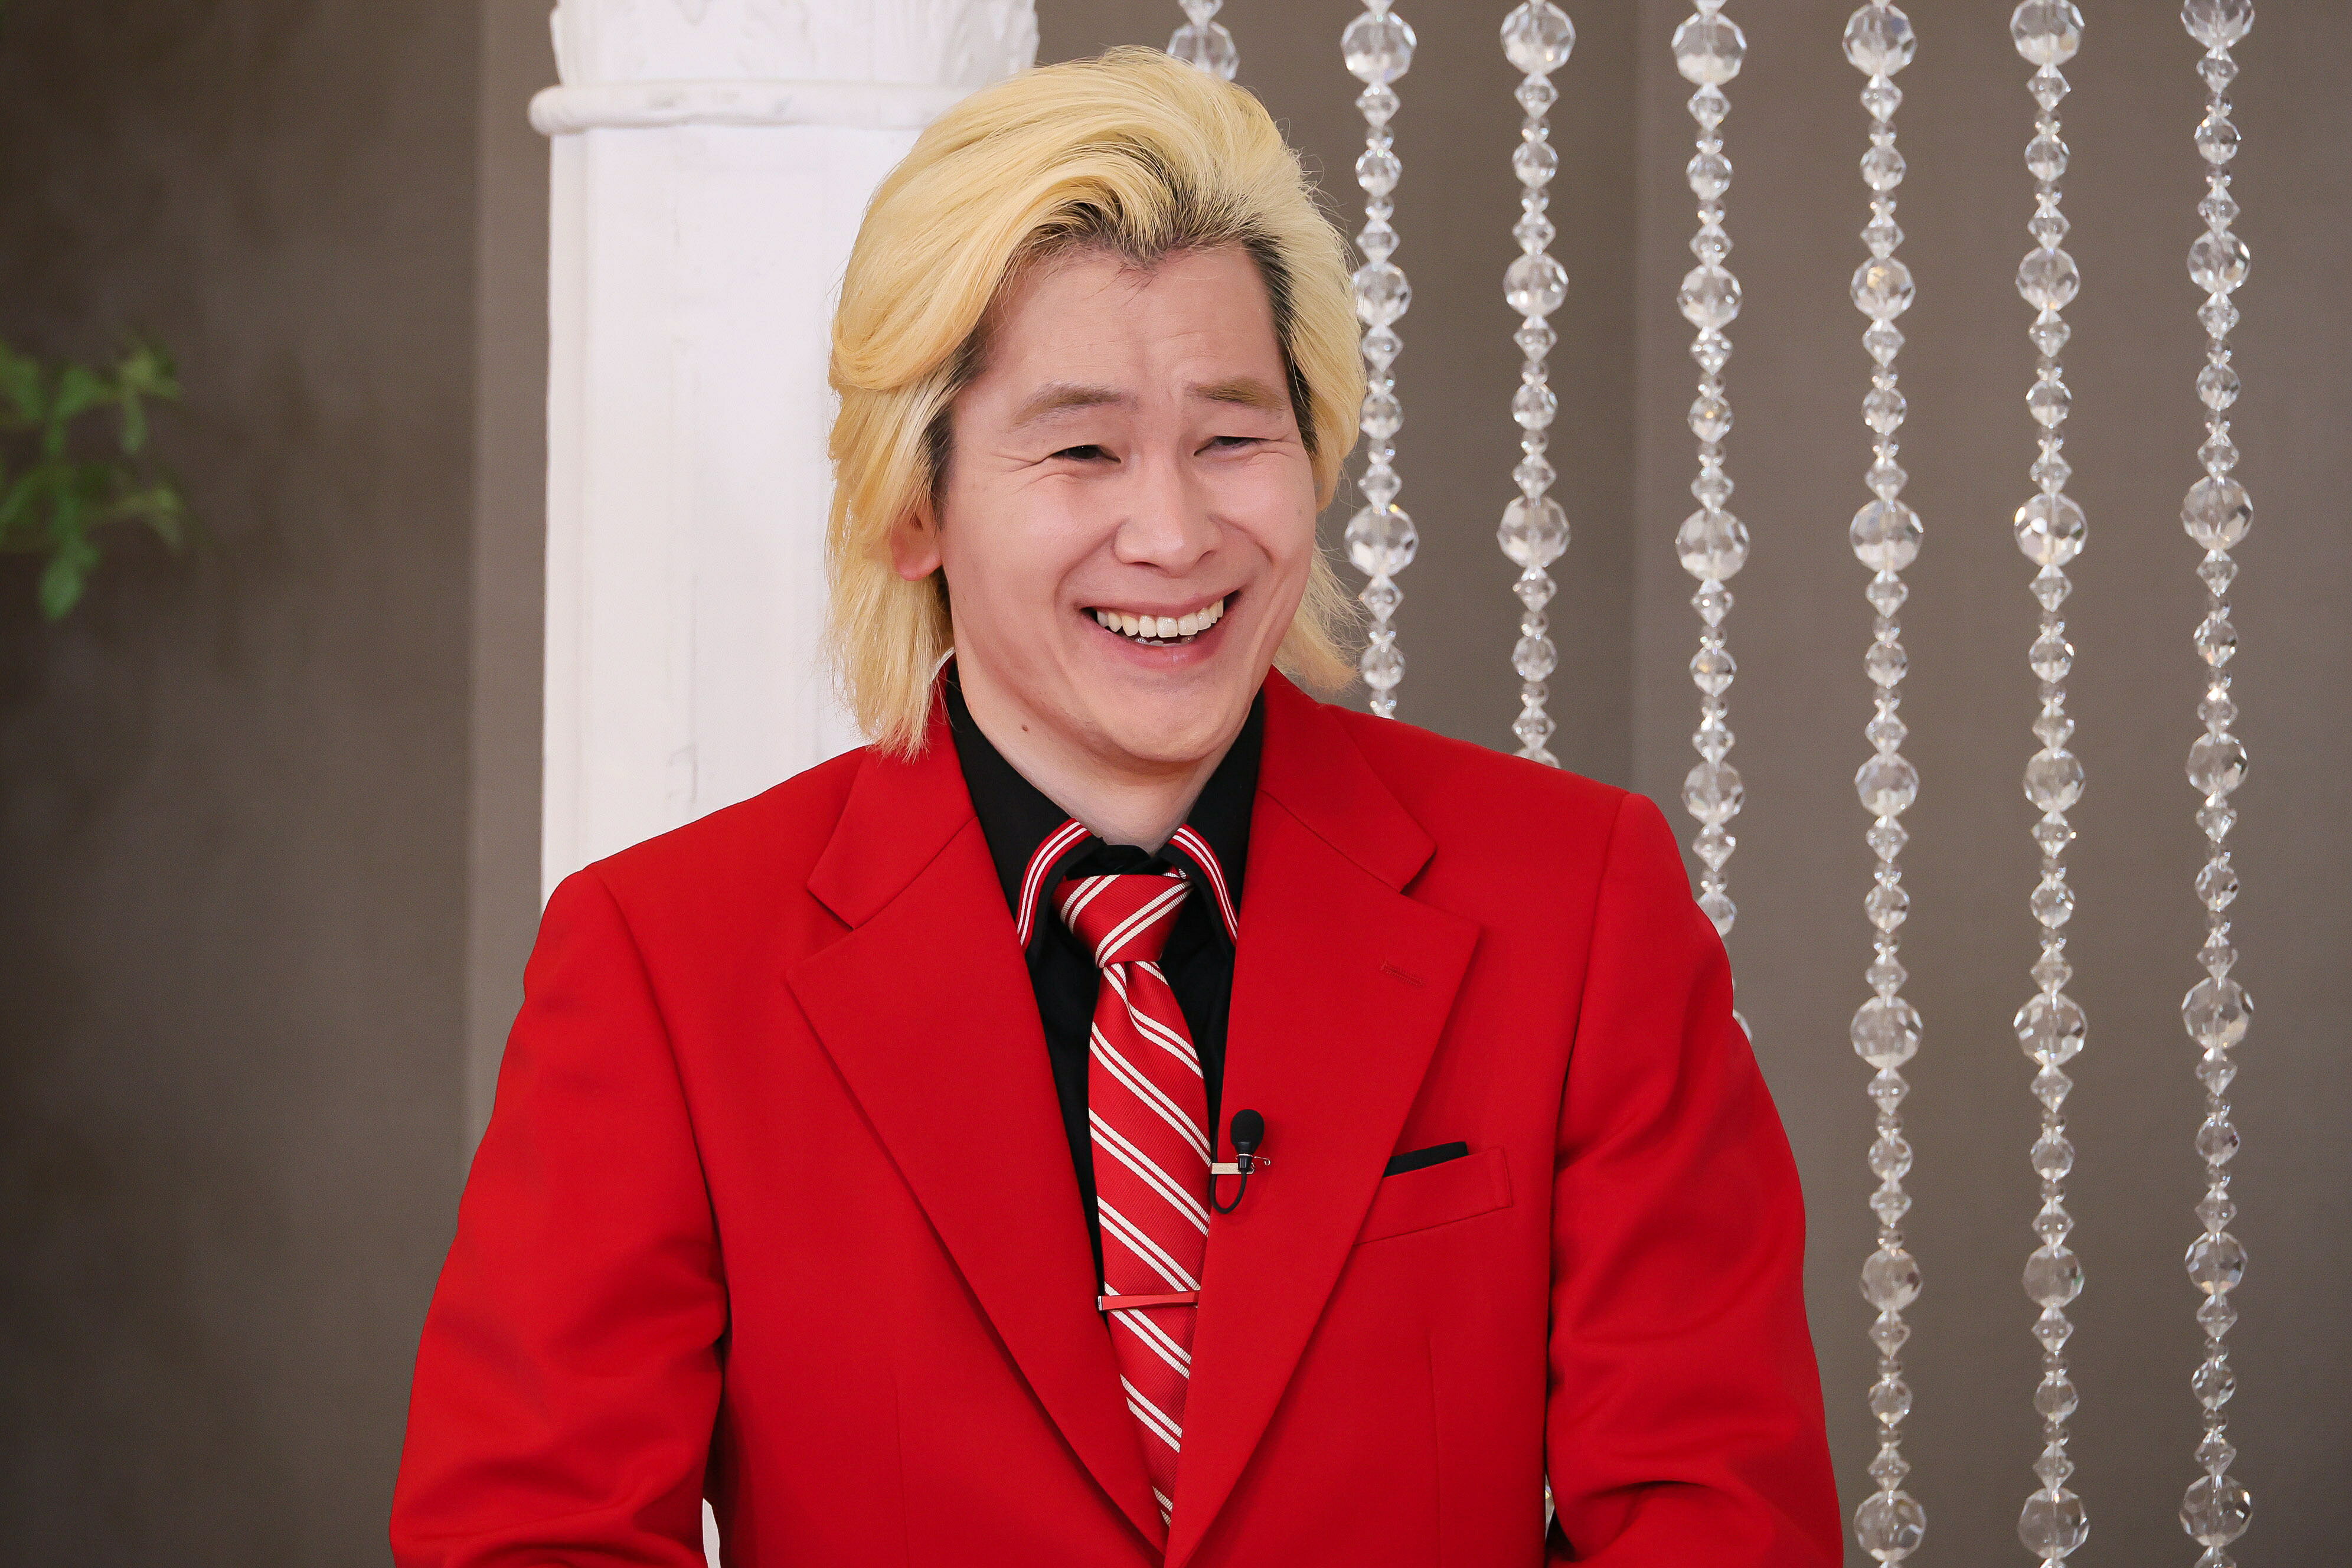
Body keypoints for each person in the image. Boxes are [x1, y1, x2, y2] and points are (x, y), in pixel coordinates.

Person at [391, 47, 1839, 1568]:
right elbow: (529, 1538)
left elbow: (1715, 1518)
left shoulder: (1581, 902)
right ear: (912, 503)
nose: (1173, 530)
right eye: (1082, 449)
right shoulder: (662, 960)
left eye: (1233, 438)